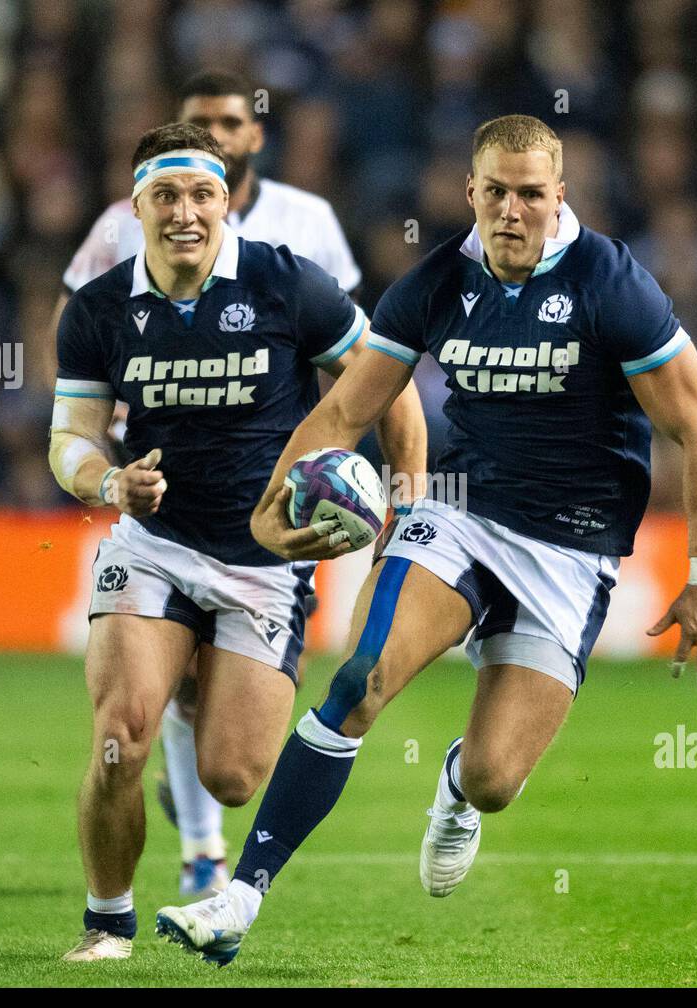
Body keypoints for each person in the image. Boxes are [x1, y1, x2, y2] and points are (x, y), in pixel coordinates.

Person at [155, 115, 697, 967]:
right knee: (361, 678)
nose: (511, 210)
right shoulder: (435, 282)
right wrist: (268, 506)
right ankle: (240, 898)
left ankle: (457, 789)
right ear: (470, 193)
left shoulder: (611, 283)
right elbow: (346, 408)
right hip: (458, 515)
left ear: (559, 197)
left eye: (531, 194)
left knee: (498, 781)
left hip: (573, 549)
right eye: (495, 192)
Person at [50, 121, 425, 961]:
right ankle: (108, 923)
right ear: (136, 204)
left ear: (227, 201)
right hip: (154, 545)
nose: (186, 212)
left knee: (233, 777)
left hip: (265, 564)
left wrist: (408, 494)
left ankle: (193, 698)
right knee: (120, 736)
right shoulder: (100, 308)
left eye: (203, 195)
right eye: (167, 196)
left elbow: (385, 383)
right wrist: (108, 482)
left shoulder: (289, 285)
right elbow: (68, 437)